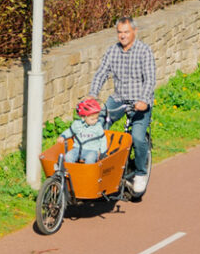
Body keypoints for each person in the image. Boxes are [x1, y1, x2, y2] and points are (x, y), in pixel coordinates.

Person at [86, 17, 156, 195]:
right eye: (120, 32)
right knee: (97, 124)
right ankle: (96, 164)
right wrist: (93, 95)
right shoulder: (112, 51)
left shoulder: (144, 51)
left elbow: (149, 79)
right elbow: (101, 73)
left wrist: (144, 100)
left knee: (137, 137)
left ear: (134, 32)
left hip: (139, 102)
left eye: (126, 32)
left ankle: (140, 173)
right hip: (118, 99)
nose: (122, 36)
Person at [61, 97, 108, 164]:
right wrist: (63, 136)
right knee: (68, 156)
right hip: (77, 149)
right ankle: (71, 172)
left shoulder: (98, 126)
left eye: (97, 118)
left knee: (90, 159)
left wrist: (103, 152)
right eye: (92, 119)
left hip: (92, 150)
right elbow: (70, 131)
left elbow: (103, 139)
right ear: (83, 117)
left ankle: (87, 173)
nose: (95, 120)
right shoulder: (77, 124)